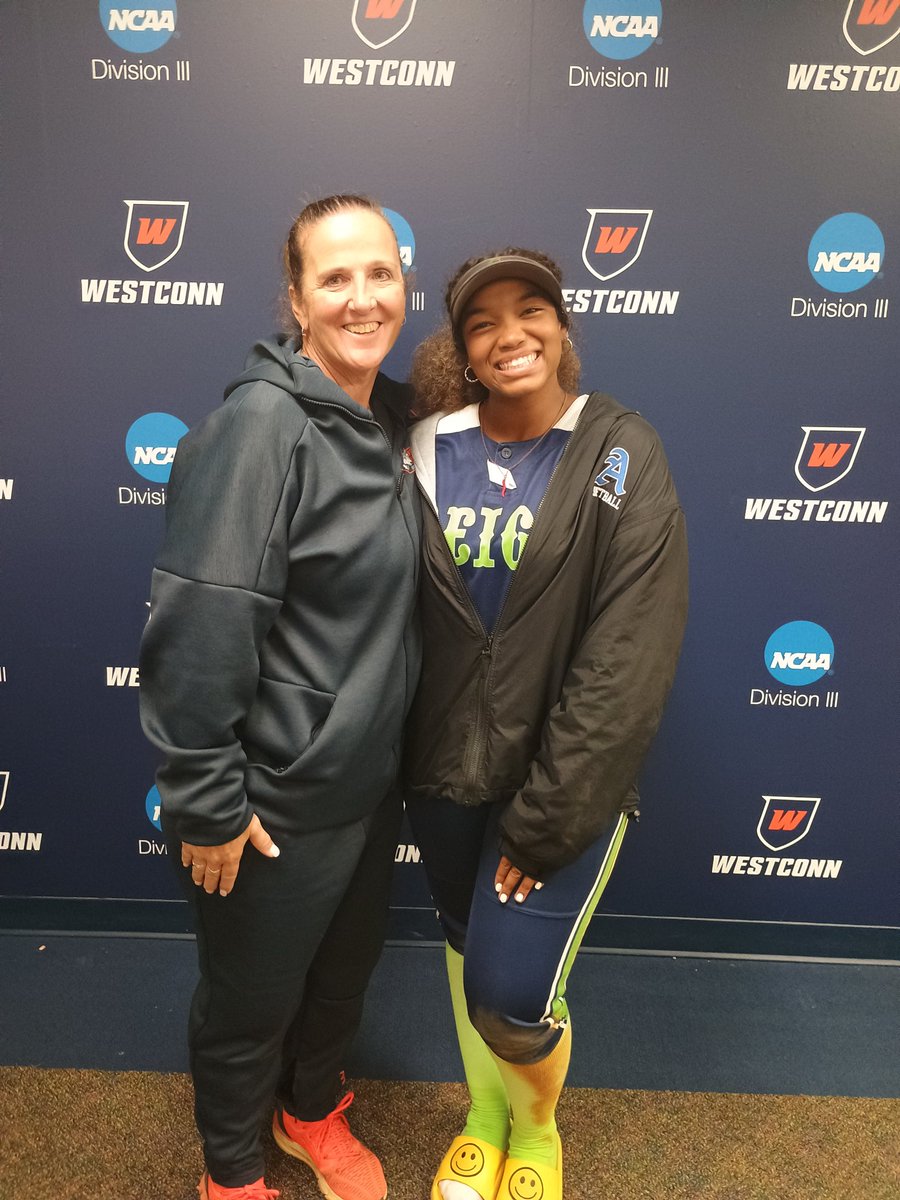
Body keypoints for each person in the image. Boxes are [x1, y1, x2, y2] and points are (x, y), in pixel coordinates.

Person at [139, 194, 420, 1200]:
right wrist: (209, 803)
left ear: (406, 287)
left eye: (378, 274)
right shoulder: (262, 426)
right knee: (248, 1004)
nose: (360, 296)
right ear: (295, 301)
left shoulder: (392, 425)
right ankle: (230, 1170)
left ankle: (308, 1114)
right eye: (334, 277)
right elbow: (202, 626)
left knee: (339, 985)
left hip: (366, 790)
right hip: (271, 809)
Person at [403, 249, 688, 1200]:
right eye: (483, 322)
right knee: (457, 942)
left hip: (559, 785)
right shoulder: (424, 447)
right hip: (441, 767)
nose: (510, 333)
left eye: (532, 310)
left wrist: (552, 814)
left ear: (565, 327)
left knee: (512, 994)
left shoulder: (618, 450)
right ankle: (482, 1119)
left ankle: (536, 1128)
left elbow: (628, 654)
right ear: (464, 348)